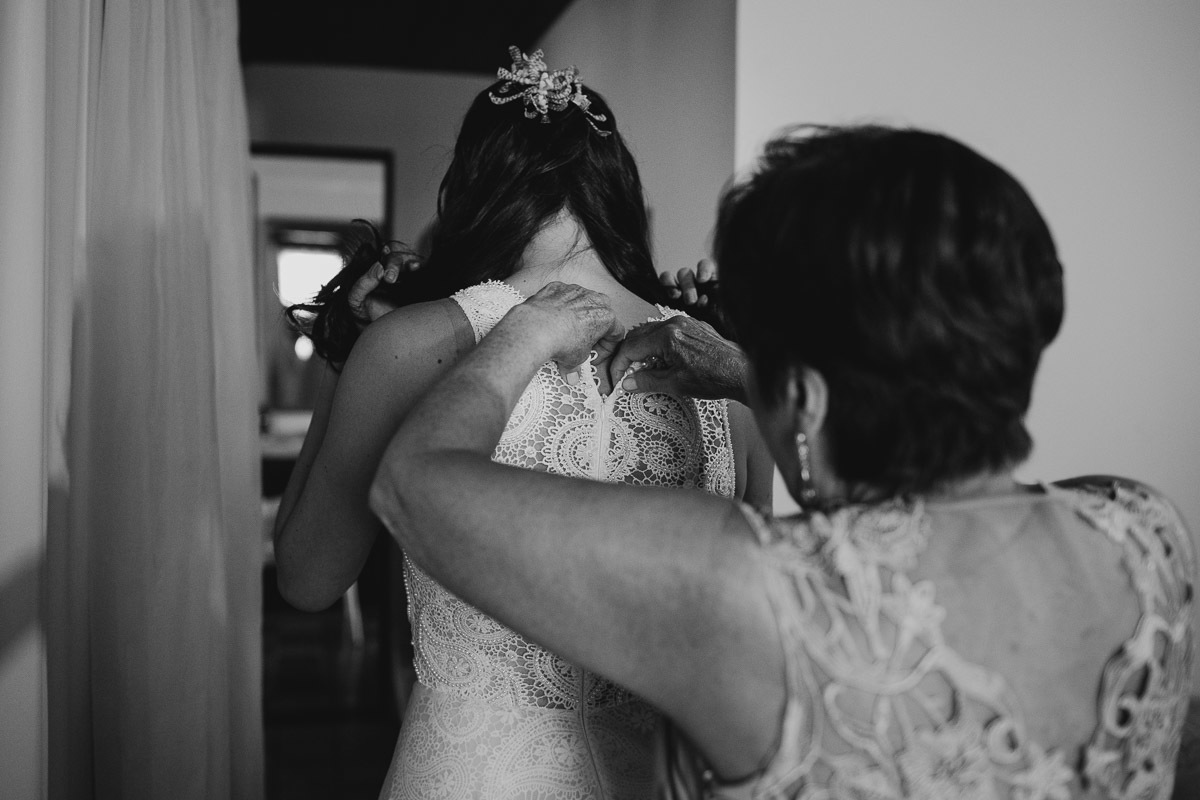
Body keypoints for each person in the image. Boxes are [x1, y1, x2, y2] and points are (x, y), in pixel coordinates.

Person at [368, 125, 1196, 798]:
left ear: (805, 397)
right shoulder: (1145, 533)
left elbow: (412, 484)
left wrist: (520, 335)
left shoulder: (753, 592)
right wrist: (745, 372)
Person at [272, 47, 773, 799]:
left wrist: (354, 362)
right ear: (616, 193)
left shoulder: (409, 346)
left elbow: (308, 580)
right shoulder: (723, 365)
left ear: (473, 189)